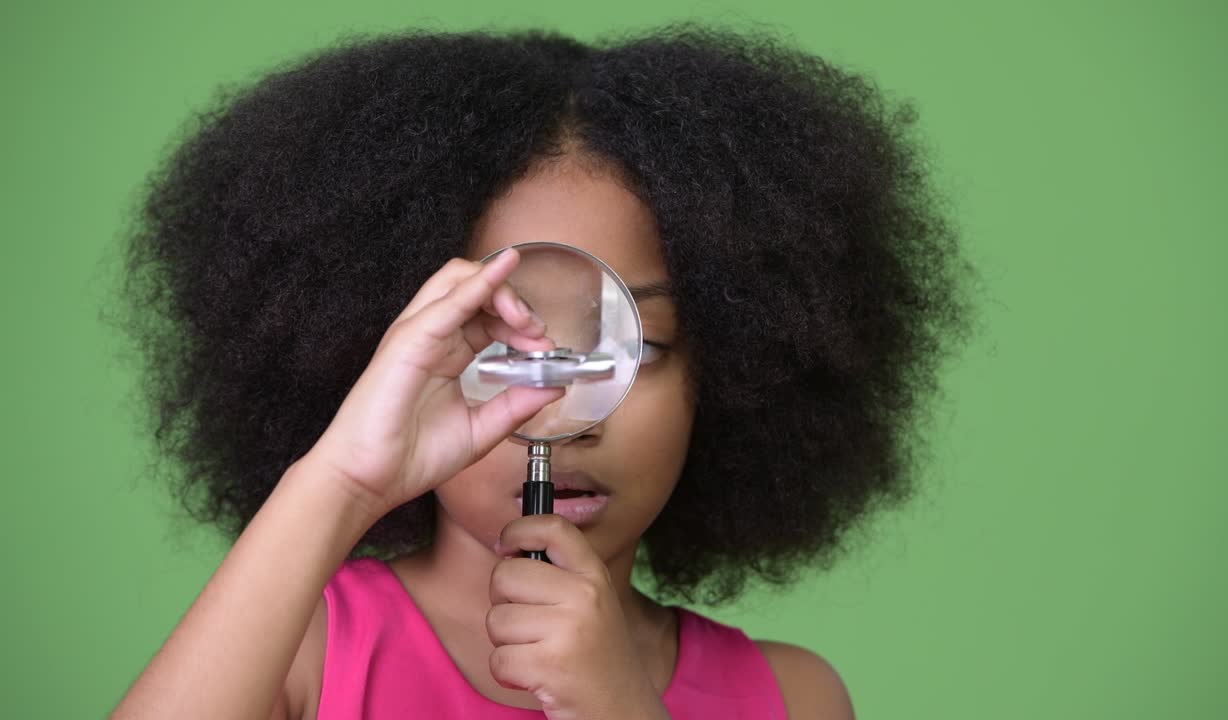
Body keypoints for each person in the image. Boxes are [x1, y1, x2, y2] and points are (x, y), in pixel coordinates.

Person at [107, 23, 976, 720]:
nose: (568, 407)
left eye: (638, 346)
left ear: (739, 373)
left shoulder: (792, 699)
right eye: (493, 341)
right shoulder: (303, 651)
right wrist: (341, 476)